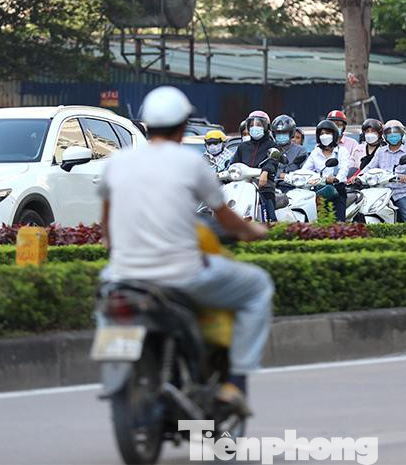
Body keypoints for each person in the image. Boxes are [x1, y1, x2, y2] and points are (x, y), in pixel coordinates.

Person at [99, 86, 270, 410]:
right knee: (258, 286)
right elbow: (227, 219)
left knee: (106, 299)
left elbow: (106, 228)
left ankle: (113, 372)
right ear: (183, 125)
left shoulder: (116, 163)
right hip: (182, 276)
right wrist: (252, 231)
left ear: (146, 125)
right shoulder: (191, 164)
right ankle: (235, 382)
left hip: (122, 276)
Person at [361, 119, 406, 221]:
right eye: (389, 133)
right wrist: (359, 177)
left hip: (401, 193)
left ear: (402, 135)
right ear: (385, 136)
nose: (393, 136)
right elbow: (370, 167)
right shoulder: (381, 151)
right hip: (381, 192)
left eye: (396, 133)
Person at [232, 111, 279, 221]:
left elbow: (273, 161)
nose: (254, 128)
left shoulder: (271, 145)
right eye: (251, 125)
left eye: (258, 125)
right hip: (242, 183)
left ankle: (272, 223)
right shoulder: (243, 146)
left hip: (263, 183)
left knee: (267, 196)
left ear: (266, 127)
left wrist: (265, 172)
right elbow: (234, 163)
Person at [303, 119, 352, 220]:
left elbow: (344, 169)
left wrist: (336, 178)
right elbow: (305, 171)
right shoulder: (315, 153)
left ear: (334, 135)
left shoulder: (342, 151)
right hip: (319, 191)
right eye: (322, 133)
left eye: (328, 133)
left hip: (337, 190)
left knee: (338, 224)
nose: (324, 136)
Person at [271, 115, 305, 182]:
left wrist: (289, 175)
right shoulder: (271, 149)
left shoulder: (300, 151)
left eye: (284, 133)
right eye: (278, 133)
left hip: (293, 188)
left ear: (291, 133)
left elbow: (305, 172)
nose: (281, 135)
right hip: (271, 187)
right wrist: (278, 174)